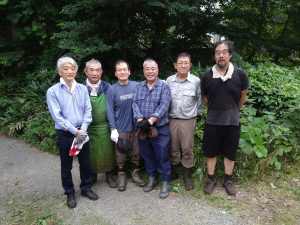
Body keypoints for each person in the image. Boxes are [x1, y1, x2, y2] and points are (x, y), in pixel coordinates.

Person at [46, 56, 98, 209]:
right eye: (65, 68)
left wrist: (83, 128)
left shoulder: (82, 88)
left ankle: (86, 188)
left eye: (72, 68)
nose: (69, 71)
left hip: (82, 131)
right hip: (66, 133)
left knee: (85, 162)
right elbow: (57, 116)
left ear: (76, 70)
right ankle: (69, 192)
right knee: (66, 165)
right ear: (59, 71)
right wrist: (74, 131)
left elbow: (88, 110)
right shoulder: (53, 91)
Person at [201, 40, 249, 196]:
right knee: (211, 152)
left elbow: (243, 97)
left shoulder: (241, 74)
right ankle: (211, 179)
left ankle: (227, 180)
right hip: (212, 121)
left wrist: (232, 110)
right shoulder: (206, 76)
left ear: (230, 55)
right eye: (217, 52)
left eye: (224, 52)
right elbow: (206, 99)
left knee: (230, 153)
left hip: (232, 121)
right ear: (214, 55)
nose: (220, 55)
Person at [132, 58, 172, 199]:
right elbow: (134, 104)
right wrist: (139, 119)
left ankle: (165, 181)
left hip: (159, 129)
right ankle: (151, 178)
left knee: (162, 155)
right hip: (142, 128)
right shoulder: (138, 86)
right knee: (147, 154)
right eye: (147, 69)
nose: (150, 71)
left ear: (157, 70)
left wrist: (149, 121)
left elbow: (164, 106)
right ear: (143, 71)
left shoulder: (163, 86)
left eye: (153, 68)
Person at [106, 60, 145, 191]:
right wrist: (113, 129)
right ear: (116, 73)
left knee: (136, 152)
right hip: (121, 128)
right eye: (119, 70)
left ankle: (135, 173)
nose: (122, 72)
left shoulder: (137, 86)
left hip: (136, 127)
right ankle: (121, 175)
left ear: (129, 71)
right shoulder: (112, 89)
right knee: (120, 153)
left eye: (124, 69)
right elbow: (110, 111)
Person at [166, 52, 201, 191]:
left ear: (190, 65)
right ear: (175, 65)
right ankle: (174, 172)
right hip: (172, 119)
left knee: (187, 148)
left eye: (186, 62)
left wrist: (193, 114)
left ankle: (187, 175)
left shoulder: (196, 81)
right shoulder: (168, 80)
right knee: (173, 148)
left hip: (188, 120)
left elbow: (199, 101)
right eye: (180, 63)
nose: (183, 65)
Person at [83, 59, 117, 188]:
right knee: (91, 153)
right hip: (88, 127)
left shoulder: (107, 87)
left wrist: (113, 126)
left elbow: (113, 106)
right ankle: (92, 175)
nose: (95, 73)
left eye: (98, 70)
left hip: (105, 126)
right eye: (91, 70)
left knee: (108, 151)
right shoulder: (81, 88)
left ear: (101, 72)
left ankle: (110, 175)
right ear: (86, 72)